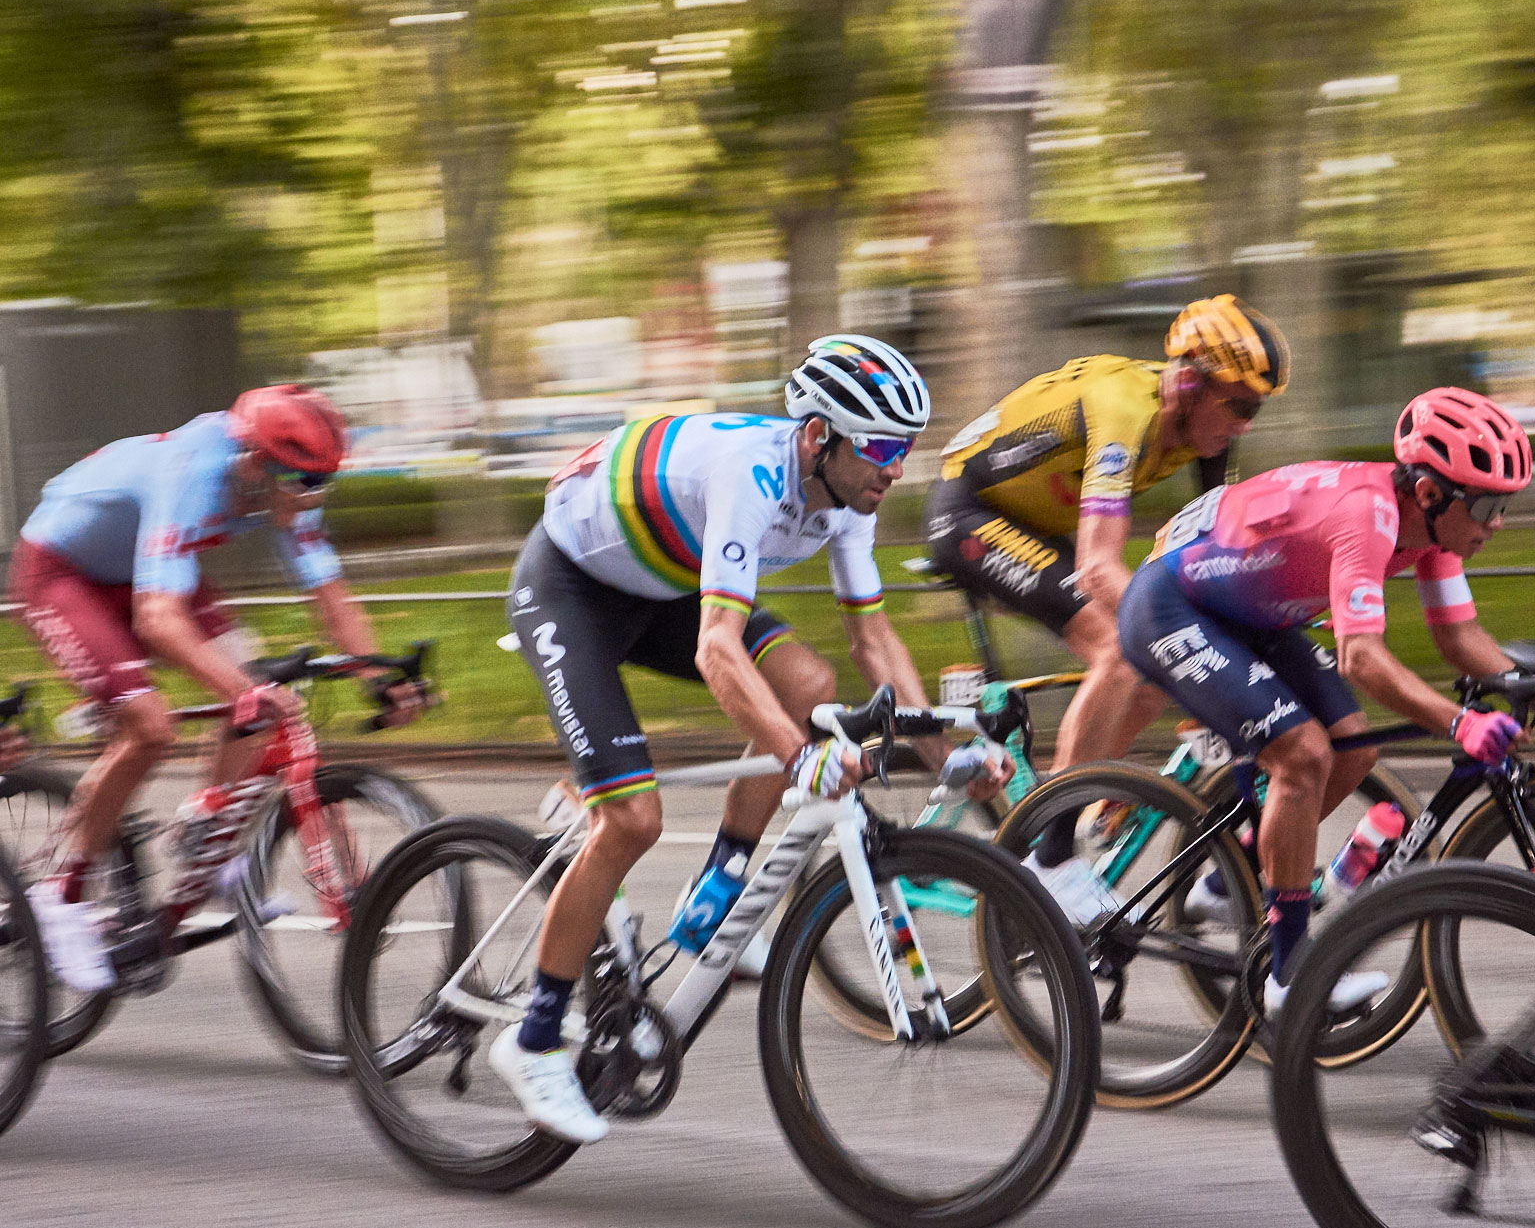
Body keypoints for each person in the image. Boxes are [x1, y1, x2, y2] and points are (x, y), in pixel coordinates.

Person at [496, 335, 1006, 1144]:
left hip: (660, 580)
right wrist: (802, 755)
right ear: (818, 437)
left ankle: (715, 901)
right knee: (632, 819)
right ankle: (533, 1040)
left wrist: (951, 751)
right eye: (879, 446)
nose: (895, 467)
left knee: (808, 685)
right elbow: (716, 650)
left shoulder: (847, 497)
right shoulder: (752, 476)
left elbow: (873, 643)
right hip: (571, 588)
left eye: (904, 448)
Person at [1120, 388, 1534, 1008]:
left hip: (1252, 614)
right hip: (1170, 604)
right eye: (1487, 506)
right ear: (1429, 492)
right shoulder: (1368, 516)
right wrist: (1459, 724)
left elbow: (1458, 636)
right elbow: (1360, 656)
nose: (1496, 523)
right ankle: (1291, 977)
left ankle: (1225, 879)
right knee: (1304, 754)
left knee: (1353, 749)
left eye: (1505, 505)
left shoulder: (1437, 532)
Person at [9, 384, 423, 993]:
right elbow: (158, 619)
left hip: (136, 572)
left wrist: (378, 677)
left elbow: (332, 599)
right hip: (61, 574)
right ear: (256, 464)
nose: (314, 497)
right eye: (304, 482)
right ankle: (57, 899)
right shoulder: (193, 473)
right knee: (151, 727)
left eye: (324, 483)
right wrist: (241, 692)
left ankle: (205, 828)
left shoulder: (280, 487)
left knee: (255, 681)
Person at [924, 294, 1290, 921]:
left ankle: (1076, 790)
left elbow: (1214, 545)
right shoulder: (1122, 408)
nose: (1246, 424)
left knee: (1156, 667)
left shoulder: (1205, 429)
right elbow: (1098, 565)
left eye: (1256, 409)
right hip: (969, 513)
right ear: (1190, 382)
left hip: (1035, 523)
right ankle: (1050, 855)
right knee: (1123, 649)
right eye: (1240, 404)